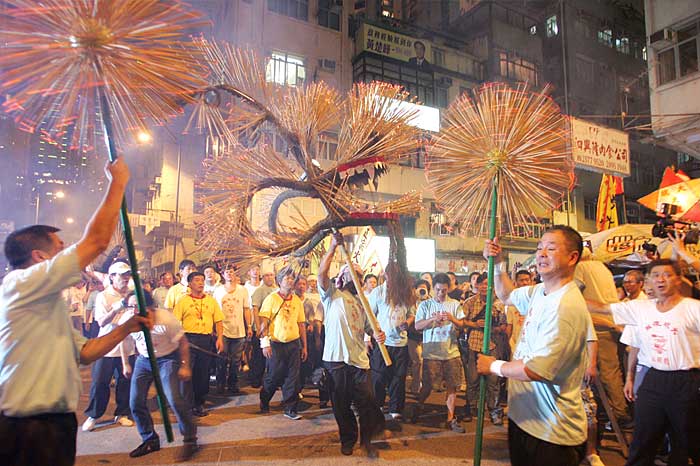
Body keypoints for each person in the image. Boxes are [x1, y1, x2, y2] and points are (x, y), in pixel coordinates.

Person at [0, 158, 152, 466]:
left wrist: (128, 327)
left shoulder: (45, 303)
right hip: (27, 426)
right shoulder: (19, 283)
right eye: (59, 249)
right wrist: (118, 182)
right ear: (38, 256)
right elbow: (95, 242)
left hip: (54, 424)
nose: (68, 254)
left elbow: (85, 351)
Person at [478, 225, 592, 466]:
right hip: (525, 419)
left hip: (552, 432)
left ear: (572, 257)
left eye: (551, 249)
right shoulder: (541, 291)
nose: (541, 254)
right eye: (539, 247)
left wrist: (494, 366)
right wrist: (498, 263)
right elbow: (507, 295)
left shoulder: (566, 307)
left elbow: (536, 370)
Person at [589, 256, 700, 466]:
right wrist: (561, 291)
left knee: (685, 441)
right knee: (643, 438)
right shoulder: (640, 308)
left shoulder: (692, 308)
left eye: (667, 275)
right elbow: (602, 308)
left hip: (686, 381)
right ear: (648, 280)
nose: (660, 280)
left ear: (678, 280)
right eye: (655, 275)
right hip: (652, 379)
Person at [319, 232, 386, 457]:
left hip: (358, 360)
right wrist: (332, 249)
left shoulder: (362, 303)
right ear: (343, 277)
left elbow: (372, 328)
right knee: (340, 403)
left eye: (359, 275)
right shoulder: (331, 295)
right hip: (336, 359)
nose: (356, 279)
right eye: (352, 275)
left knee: (366, 399)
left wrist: (379, 335)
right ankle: (348, 439)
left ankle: (367, 438)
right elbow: (321, 274)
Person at [119, 291, 198, 461]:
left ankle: (190, 440)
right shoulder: (128, 319)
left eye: (137, 306)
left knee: (174, 399)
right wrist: (125, 363)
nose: (133, 310)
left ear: (149, 307)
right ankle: (149, 439)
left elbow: (183, 343)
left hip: (167, 359)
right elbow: (124, 342)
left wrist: (185, 366)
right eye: (130, 306)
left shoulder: (166, 319)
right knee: (135, 401)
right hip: (143, 360)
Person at [575, 249, 632, 428]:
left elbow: (572, 294)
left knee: (605, 373)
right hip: (611, 321)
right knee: (612, 371)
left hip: (596, 325)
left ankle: (620, 414)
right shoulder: (602, 267)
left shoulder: (581, 268)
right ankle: (620, 411)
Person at [82, 261, 137, 432]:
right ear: (112, 277)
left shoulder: (133, 294)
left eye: (128, 274)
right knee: (100, 382)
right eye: (122, 275)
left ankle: (122, 413)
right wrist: (117, 308)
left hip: (128, 346)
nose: (126, 278)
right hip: (106, 346)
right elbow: (101, 321)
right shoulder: (103, 296)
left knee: (124, 382)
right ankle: (94, 415)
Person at [412, 272, 467, 433]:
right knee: (428, 386)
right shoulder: (425, 305)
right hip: (432, 353)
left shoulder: (455, 304)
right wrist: (431, 320)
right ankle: (419, 405)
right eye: (438, 290)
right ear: (433, 289)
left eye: (444, 290)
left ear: (448, 288)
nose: (441, 293)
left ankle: (451, 418)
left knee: (452, 386)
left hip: (451, 352)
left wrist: (452, 318)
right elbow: (417, 326)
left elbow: (462, 324)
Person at [368, 262, 415, 421]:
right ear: (386, 275)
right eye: (390, 276)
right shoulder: (378, 292)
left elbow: (411, 314)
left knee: (398, 377)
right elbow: (369, 316)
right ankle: (377, 405)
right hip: (382, 342)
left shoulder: (406, 293)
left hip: (400, 343)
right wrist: (371, 336)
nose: (393, 279)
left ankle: (395, 408)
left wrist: (407, 323)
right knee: (379, 376)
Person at [258, 268, 307, 420]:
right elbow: (264, 322)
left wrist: (304, 346)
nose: (290, 281)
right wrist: (265, 343)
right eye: (287, 278)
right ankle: (264, 399)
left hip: (293, 343)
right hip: (276, 343)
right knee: (274, 375)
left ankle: (290, 408)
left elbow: (301, 324)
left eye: (292, 278)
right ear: (279, 281)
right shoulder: (271, 299)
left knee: (293, 376)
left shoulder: (297, 300)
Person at [173, 271, 224, 417]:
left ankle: (199, 403)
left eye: (202, 280)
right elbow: (176, 324)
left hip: (206, 340)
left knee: (203, 374)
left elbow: (218, 321)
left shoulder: (211, 300)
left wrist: (220, 338)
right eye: (196, 280)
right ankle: (186, 405)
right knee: (187, 372)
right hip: (188, 340)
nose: (200, 283)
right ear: (189, 284)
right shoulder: (183, 301)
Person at [461, 273, 507, 425]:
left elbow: (503, 327)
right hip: (474, 344)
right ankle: (471, 407)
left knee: (493, 381)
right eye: (481, 284)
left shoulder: (499, 305)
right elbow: (462, 322)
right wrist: (475, 325)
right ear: (477, 285)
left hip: (492, 345)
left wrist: (492, 328)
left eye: (487, 284)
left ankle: (494, 410)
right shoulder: (469, 302)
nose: (484, 287)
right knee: (472, 380)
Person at [213, 265, 252, 395]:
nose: (229, 274)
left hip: (239, 330)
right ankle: (220, 384)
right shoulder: (218, 291)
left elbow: (247, 309)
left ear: (235, 273)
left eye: (231, 271)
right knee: (222, 358)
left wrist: (249, 326)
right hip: (223, 330)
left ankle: (233, 384)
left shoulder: (243, 290)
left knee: (236, 360)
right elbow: (214, 311)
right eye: (226, 272)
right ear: (223, 274)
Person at [250, 266, 278, 387]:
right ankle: (256, 379)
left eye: (271, 275)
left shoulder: (277, 290)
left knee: (273, 358)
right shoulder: (259, 291)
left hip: (275, 330)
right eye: (267, 275)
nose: (269, 277)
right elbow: (255, 310)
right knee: (259, 357)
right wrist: (258, 327)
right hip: (262, 328)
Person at [407, 279, 430, 394]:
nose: (421, 290)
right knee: (417, 361)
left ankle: (422, 386)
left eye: (424, 288)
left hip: (426, 337)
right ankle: (416, 386)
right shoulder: (410, 301)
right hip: (413, 336)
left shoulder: (431, 302)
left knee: (424, 362)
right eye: (419, 288)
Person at [506, 269, 533, 353]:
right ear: (516, 282)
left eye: (527, 280)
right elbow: (509, 326)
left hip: (532, 345)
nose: (525, 283)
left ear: (531, 282)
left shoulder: (537, 300)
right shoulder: (511, 303)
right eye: (521, 280)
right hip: (516, 345)